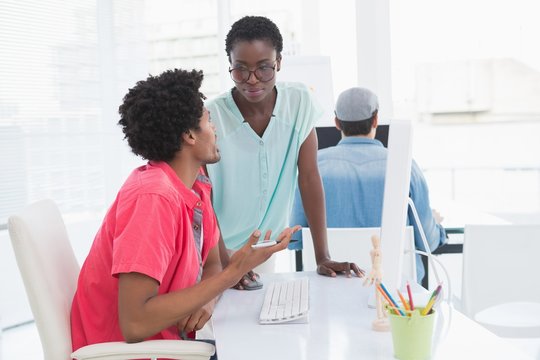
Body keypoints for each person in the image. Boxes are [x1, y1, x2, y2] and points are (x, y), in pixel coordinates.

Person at [70, 69, 299, 353]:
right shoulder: (153, 199)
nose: (215, 130)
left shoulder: (197, 186)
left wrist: (207, 298)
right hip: (127, 354)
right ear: (190, 135)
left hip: (170, 344)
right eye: (209, 121)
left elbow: (213, 263)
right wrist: (236, 270)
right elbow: (135, 324)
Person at [205, 15, 363, 288]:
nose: (252, 80)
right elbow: (203, 198)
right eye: (240, 69)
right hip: (214, 253)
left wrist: (322, 256)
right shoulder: (210, 116)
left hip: (263, 251)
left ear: (279, 63)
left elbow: (309, 178)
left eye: (264, 68)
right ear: (229, 66)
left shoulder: (299, 102)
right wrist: (225, 266)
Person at [289, 87, 446, 283]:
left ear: (337, 123)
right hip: (395, 295)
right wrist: (436, 225)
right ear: (375, 120)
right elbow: (428, 243)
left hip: (331, 288)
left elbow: (294, 241)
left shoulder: (312, 169)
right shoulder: (405, 165)